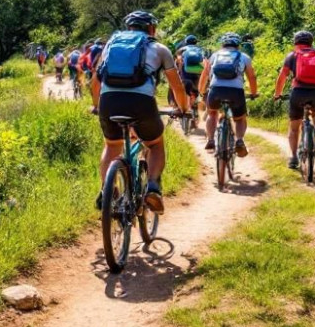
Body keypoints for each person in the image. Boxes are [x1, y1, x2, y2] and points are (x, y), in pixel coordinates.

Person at [91, 11, 190, 214]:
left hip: (109, 101)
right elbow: (177, 86)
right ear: (152, 29)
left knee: (112, 145)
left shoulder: (110, 46)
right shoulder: (160, 49)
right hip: (141, 103)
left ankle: (108, 192)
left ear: (129, 28)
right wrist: (183, 109)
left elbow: (95, 80)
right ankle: (153, 187)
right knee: (154, 144)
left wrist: (96, 106)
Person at [272, 30, 315, 169]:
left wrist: (277, 94)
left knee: (294, 127)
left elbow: (282, 76)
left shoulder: (292, 55)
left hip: (298, 93)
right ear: (311, 42)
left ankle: (293, 158)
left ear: (295, 42)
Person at [199, 33, 258, 156]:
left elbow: (205, 74)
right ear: (238, 45)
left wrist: (201, 90)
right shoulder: (244, 57)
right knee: (240, 118)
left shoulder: (215, 55)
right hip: (236, 92)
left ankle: (211, 139)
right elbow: (252, 77)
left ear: (222, 44)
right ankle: (239, 140)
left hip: (216, 91)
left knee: (212, 113)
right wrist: (253, 93)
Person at [176, 34, 207, 125]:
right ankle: (195, 110)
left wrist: (179, 72)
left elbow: (179, 62)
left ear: (186, 42)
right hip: (198, 75)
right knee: (197, 92)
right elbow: (205, 63)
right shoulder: (200, 50)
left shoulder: (181, 50)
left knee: (185, 91)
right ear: (196, 42)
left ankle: (187, 110)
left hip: (186, 74)